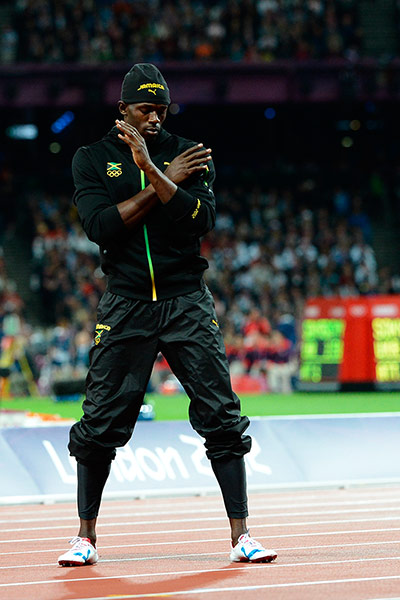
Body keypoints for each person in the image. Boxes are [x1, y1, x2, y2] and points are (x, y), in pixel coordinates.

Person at [58, 63, 277, 567]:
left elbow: (198, 220)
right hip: (126, 302)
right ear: (123, 110)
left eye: (161, 109)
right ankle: (84, 536)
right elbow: (102, 227)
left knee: (221, 415)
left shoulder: (191, 153)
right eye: (144, 109)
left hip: (186, 300)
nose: (154, 118)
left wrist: (156, 171)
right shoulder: (91, 159)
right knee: (99, 423)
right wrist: (164, 181)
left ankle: (242, 535)